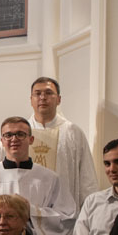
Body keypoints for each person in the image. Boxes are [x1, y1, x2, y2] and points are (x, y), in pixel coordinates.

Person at [28, 77, 98, 208]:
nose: (43, 97)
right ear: (31, 100)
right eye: (37, 93)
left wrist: (89, 210)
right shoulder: (21, 133)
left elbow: (86, 176)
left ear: (59, 99)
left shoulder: (73, 132)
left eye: (48, 93)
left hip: (65, 213)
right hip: (28, 210)